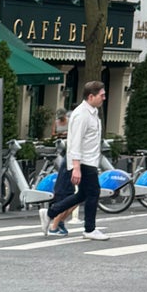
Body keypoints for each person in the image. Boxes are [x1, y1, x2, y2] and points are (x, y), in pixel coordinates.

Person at [42, 81, 109, 239]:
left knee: (83, 195)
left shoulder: (92, 112)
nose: (104, 98)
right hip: (84, 161)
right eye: (102, 95)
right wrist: (76, 167)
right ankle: (90, 229)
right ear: (91, 96)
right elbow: (75, 142)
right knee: (93, 193)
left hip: (90, 160)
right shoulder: (81, 114)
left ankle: (50, 212)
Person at [39, 108, 73, 236]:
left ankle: (55, 220)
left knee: (80, 195)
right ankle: (54, 221)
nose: (60, 120)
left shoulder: (71, 122)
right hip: (70, 158)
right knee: (76, 196)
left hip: (72, 158)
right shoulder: (59, 122)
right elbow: (53, 133)